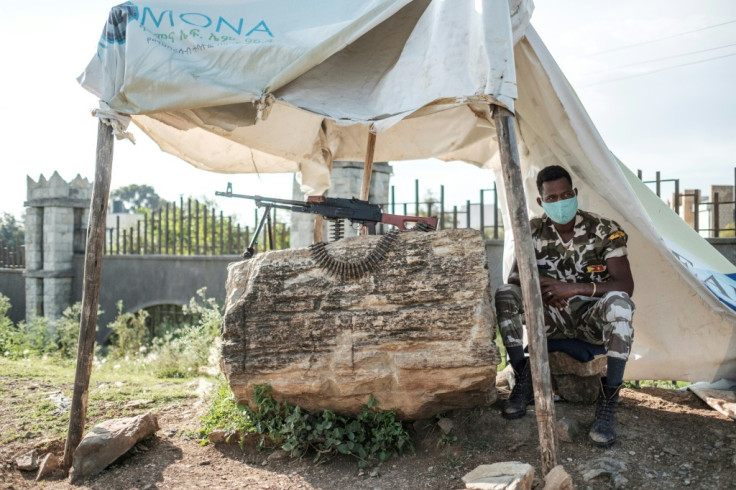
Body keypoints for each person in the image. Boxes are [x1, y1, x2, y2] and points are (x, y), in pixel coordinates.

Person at [495, 165, 635, 448]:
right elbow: (514, 275)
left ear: (575, 193)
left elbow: (625, 285)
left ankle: (608, 403)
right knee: (505, 293)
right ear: (541, 201)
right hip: (552, 316)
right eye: (553, 198)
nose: (561, 202)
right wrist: (548, 288)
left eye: (566, 194)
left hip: (590, 318)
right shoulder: (533, 229)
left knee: (620, 304)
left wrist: (575, 288)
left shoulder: (604, 229)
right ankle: (523, 378)